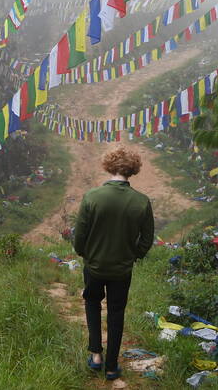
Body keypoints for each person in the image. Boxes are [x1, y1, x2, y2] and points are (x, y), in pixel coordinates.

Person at [72, 147, 155, 381]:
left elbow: (80, 235)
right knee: (116, 313)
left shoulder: (92, 197)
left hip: (94, 266)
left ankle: (96, 355)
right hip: (122, 269)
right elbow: (146, 240)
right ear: (133, 169)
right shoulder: (141, 202)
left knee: (92, 303)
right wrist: (133, 255)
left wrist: (84, 253)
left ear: (108, 166)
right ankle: (111, 367)